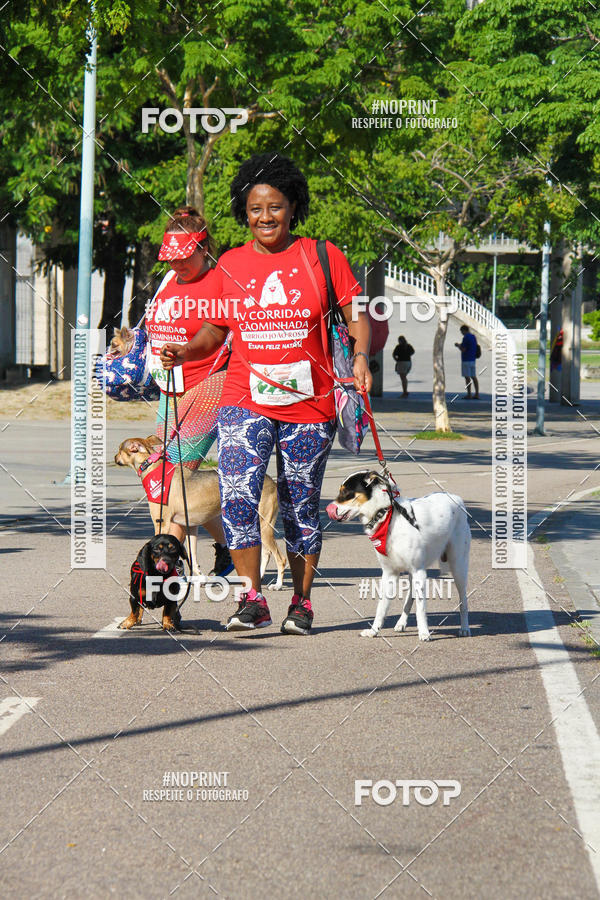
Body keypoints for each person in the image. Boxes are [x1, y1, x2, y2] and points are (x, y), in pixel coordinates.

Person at [160, 152, 372, 635]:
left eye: (274, 207)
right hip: (243, 400)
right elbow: (215, 331)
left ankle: (301, 602)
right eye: (255, 209)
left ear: (293, 206)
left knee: (300, 503)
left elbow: (358, 313)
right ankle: (251, 599)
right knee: (236, 496)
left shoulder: (322, 255)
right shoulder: (231, 264)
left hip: (308, 403)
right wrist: (185, 351)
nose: (265, 218)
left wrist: (361, 357)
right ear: (244, 213)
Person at [146, 206, 232, 576]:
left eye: (185, 257)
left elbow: (219, 333)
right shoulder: (167, 282)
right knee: (170, 476)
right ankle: (229, 545)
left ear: (203, 247)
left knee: (176, 477)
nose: (178, 265)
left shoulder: (220, 280)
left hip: (211, 383)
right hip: (171, 387)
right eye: (172, 258)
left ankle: (165, 571)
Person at [455, 324, 479, 399]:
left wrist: (458, 346)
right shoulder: (473, 336)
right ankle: (476, 394)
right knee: (474, 377)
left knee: (467, 377)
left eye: (461, 331)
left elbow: (463, 349)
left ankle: (469, 394)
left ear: (464, 330)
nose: (461, 333)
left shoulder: (466, 337)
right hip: (472, 359)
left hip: (466, 360)